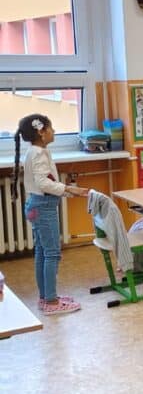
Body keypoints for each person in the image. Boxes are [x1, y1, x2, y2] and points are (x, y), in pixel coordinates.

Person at [13, 114, 90, 315]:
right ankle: (51, 301)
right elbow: (43, 183)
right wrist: (69, 189)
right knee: (52, 254)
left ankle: (46, 296)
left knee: (42, 252)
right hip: (43, 208)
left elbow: (45, 182)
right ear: (41, 132)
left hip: (36, 205)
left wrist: (67, 191)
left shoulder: (36, 151)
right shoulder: (38, 153)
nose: (54, 131)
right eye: (51, 128)